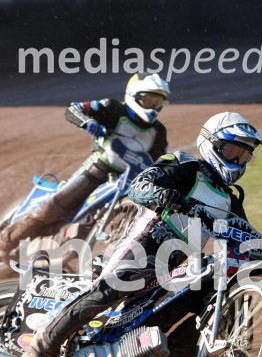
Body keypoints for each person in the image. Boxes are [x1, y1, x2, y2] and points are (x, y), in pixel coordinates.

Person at [12, 112, 262, 357]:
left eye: (244, 154)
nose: (237, 159)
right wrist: (165, 195)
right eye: (232, 151)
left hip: (175, 263)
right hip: (144, 244)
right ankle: (37, 351)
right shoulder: (185, 165)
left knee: (209, 286)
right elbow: (139, 185)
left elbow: (246, 235)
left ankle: (175, 354)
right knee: (113, 288)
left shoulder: (231, 199)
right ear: (211, 144)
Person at [0, 73, 170, 260]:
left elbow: (161, 163)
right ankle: (5, 242)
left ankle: (62, 266)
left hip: (128, 182)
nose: (153, 106)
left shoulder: (158, 132)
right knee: (54, 207)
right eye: (149, 99)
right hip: (97, 171)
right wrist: (87, 122)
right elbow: (74, 109)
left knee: (81, 240)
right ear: (134, 96)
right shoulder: (112, 108)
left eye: (158, 101)